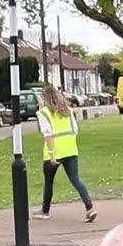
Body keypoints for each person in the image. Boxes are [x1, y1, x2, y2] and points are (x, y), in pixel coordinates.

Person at [34, 85, 97, 222]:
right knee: (75, 179)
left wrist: (51, 154)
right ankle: (90, 208)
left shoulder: (43, 113)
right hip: (70, 149)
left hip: (55, 151)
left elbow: (48, 134)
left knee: (49, 182)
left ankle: (45, 211)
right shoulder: (68, 110)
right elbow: (75, 130)